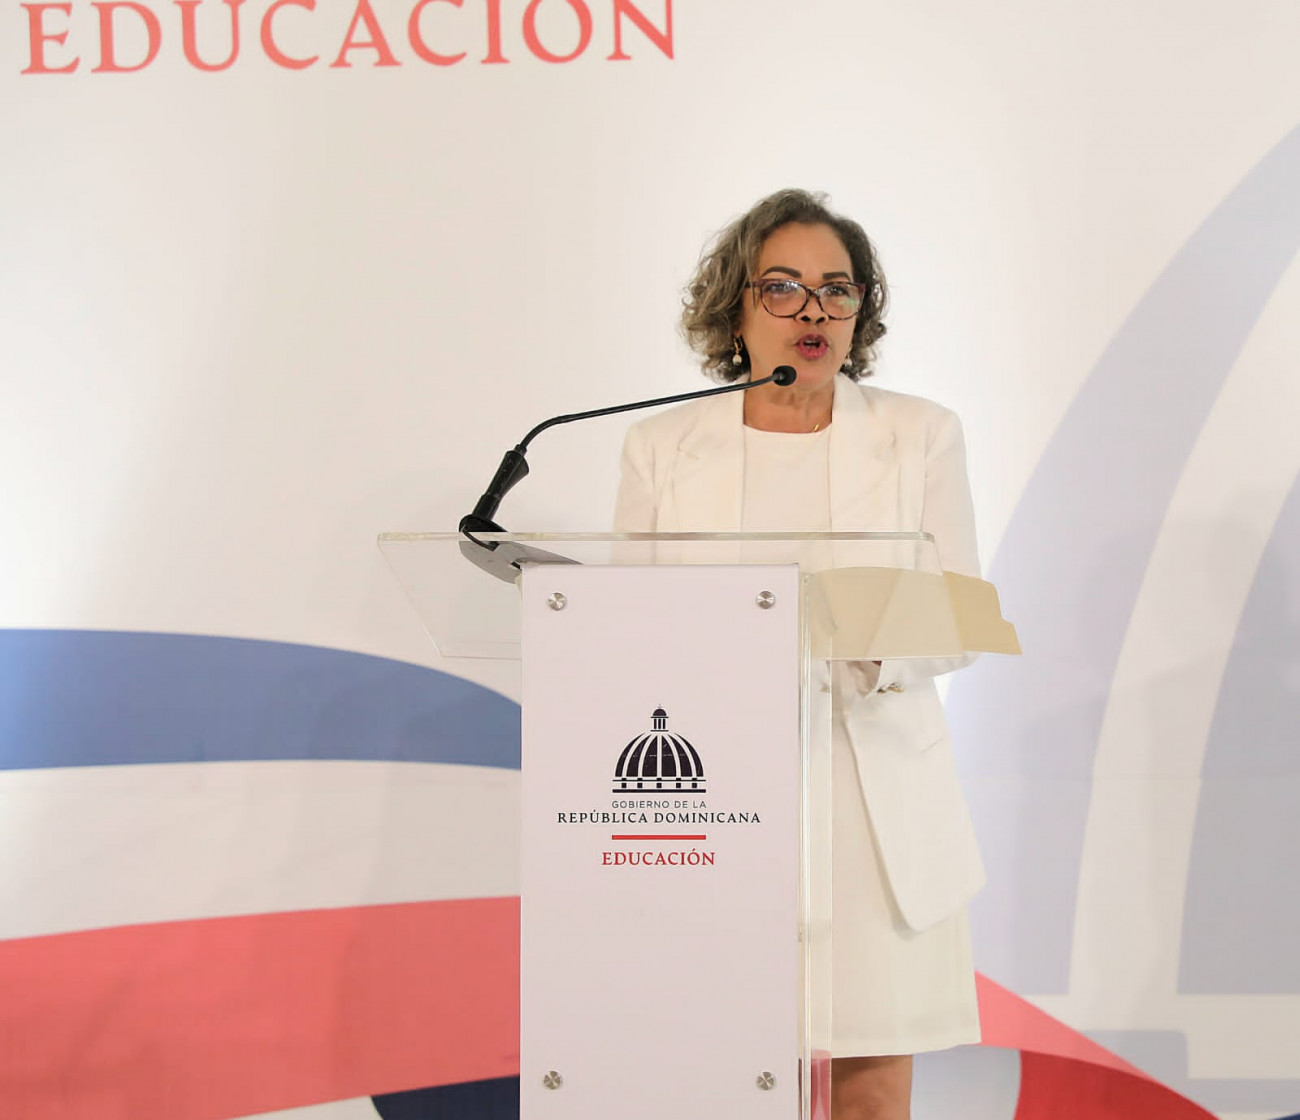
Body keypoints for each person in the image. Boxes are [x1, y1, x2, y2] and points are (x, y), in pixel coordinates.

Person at [613, 189, 986, 1120]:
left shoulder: (920, 434)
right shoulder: (662, 446)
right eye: (782, 287)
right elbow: (625, 630)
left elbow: (959, 610)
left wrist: (857, 637)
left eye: (837, 289)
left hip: (870, 794)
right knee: (724, 1075)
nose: (813, 311)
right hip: (716, 796)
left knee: (870, 1080)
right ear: (735, 308)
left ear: (861, 311)